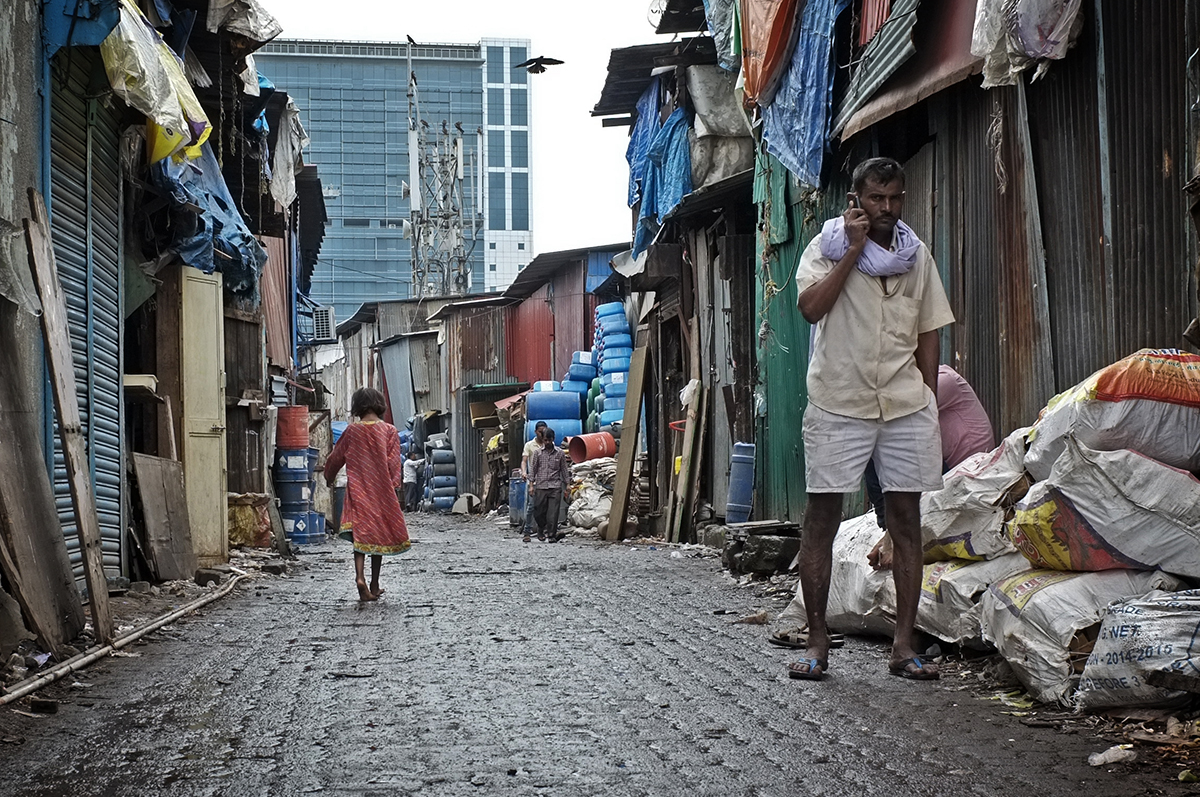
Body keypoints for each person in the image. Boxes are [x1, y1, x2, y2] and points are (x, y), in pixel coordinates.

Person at [789, 157, 955, 682]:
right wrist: (855, 250)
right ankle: (817, 642)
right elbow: (811, 308)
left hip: (904, 405)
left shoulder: (916, 254)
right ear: (855, 200)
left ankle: (904, 647)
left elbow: (930, 329)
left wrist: (927, 396)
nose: (887, 208)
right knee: (822, 521)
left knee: (907, 523)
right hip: (839, 401)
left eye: (895, 198)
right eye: (877, 198)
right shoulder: (827, 246)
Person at [865, 364, 995, 569]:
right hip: (945, 472)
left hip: (966, 475)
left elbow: (894, 418)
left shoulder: (943, 379)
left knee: (887, 439)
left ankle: (894, 536)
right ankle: (890, 530)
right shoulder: (909, 384)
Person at [325, 387, 411, 602]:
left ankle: (360, 578)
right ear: (379, 405)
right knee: (378, 537)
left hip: (358, 491)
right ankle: (374, 583)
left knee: (360, 536)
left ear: (358, 407)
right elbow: (394, 464)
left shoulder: (352, 431)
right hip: (381, 493)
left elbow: (336, 457)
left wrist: (329, 477)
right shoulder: (389, 431)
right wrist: (393, 486)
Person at [527, 426, 569, 543]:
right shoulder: (538, 453)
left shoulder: (560, 453)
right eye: (545, 440)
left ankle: (551, 535)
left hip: (555, 487)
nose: (547, 443)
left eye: (549, 440)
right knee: (539, 512)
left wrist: (568, 484)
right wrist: (531, 485)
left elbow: (564, 470)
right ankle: (541, 529)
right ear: (543, 439)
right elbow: (533, 470)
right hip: (541, 486)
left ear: (553, 439)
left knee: (553, 513)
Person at [520, 422, 548, 543]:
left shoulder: (548, 445)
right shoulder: (530, 445)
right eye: (540, 431)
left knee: (544, 507)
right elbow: (524, 460)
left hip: (546, 480)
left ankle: (542, 531)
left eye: (544, 431)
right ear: (535, 431)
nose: (542, 434)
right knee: (532, 506)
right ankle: (527, 531)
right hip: (534, 479)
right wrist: (524, 472)